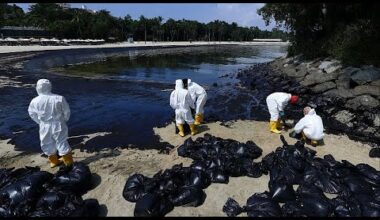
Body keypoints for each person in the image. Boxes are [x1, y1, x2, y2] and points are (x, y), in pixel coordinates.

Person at [28, 79, 73, 168]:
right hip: (58, 124)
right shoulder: (59, 98)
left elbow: (32, 113)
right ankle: (68, 162)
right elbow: (67, 111)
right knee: (61, 141)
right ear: (49, 87)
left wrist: (39, 122)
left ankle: (54, 161)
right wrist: (64, 120)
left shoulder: (34, 100)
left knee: (46, 142)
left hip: (44, 125)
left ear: (38, 88)